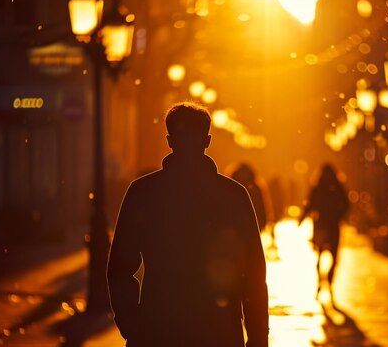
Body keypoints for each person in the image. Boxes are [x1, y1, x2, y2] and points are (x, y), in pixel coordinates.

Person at [107, 102, 269, 347]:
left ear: (169, 140)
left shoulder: (144, 192)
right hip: (218, 331)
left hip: (159, 329)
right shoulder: (233, 195)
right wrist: (257, 338)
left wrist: (133, 325)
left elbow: (120, 267)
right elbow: (253, 275)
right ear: (208, 141)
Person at [299, 164, 349, 303]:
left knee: (331, 256)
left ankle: (328, 280)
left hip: (328, 225)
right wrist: (302, 218)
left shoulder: (331, 188)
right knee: (321, 256)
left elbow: (345, 204)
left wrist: (339, 215)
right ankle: (322, 282)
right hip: (324, 225)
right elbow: (310, 204)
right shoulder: (323, 188)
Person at [231, 163, 271, 233]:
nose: (243, 176)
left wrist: (264, 221)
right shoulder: (232, 187)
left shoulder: (255, 188)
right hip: (238, 224)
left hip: (251, 223)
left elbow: (261, 206)